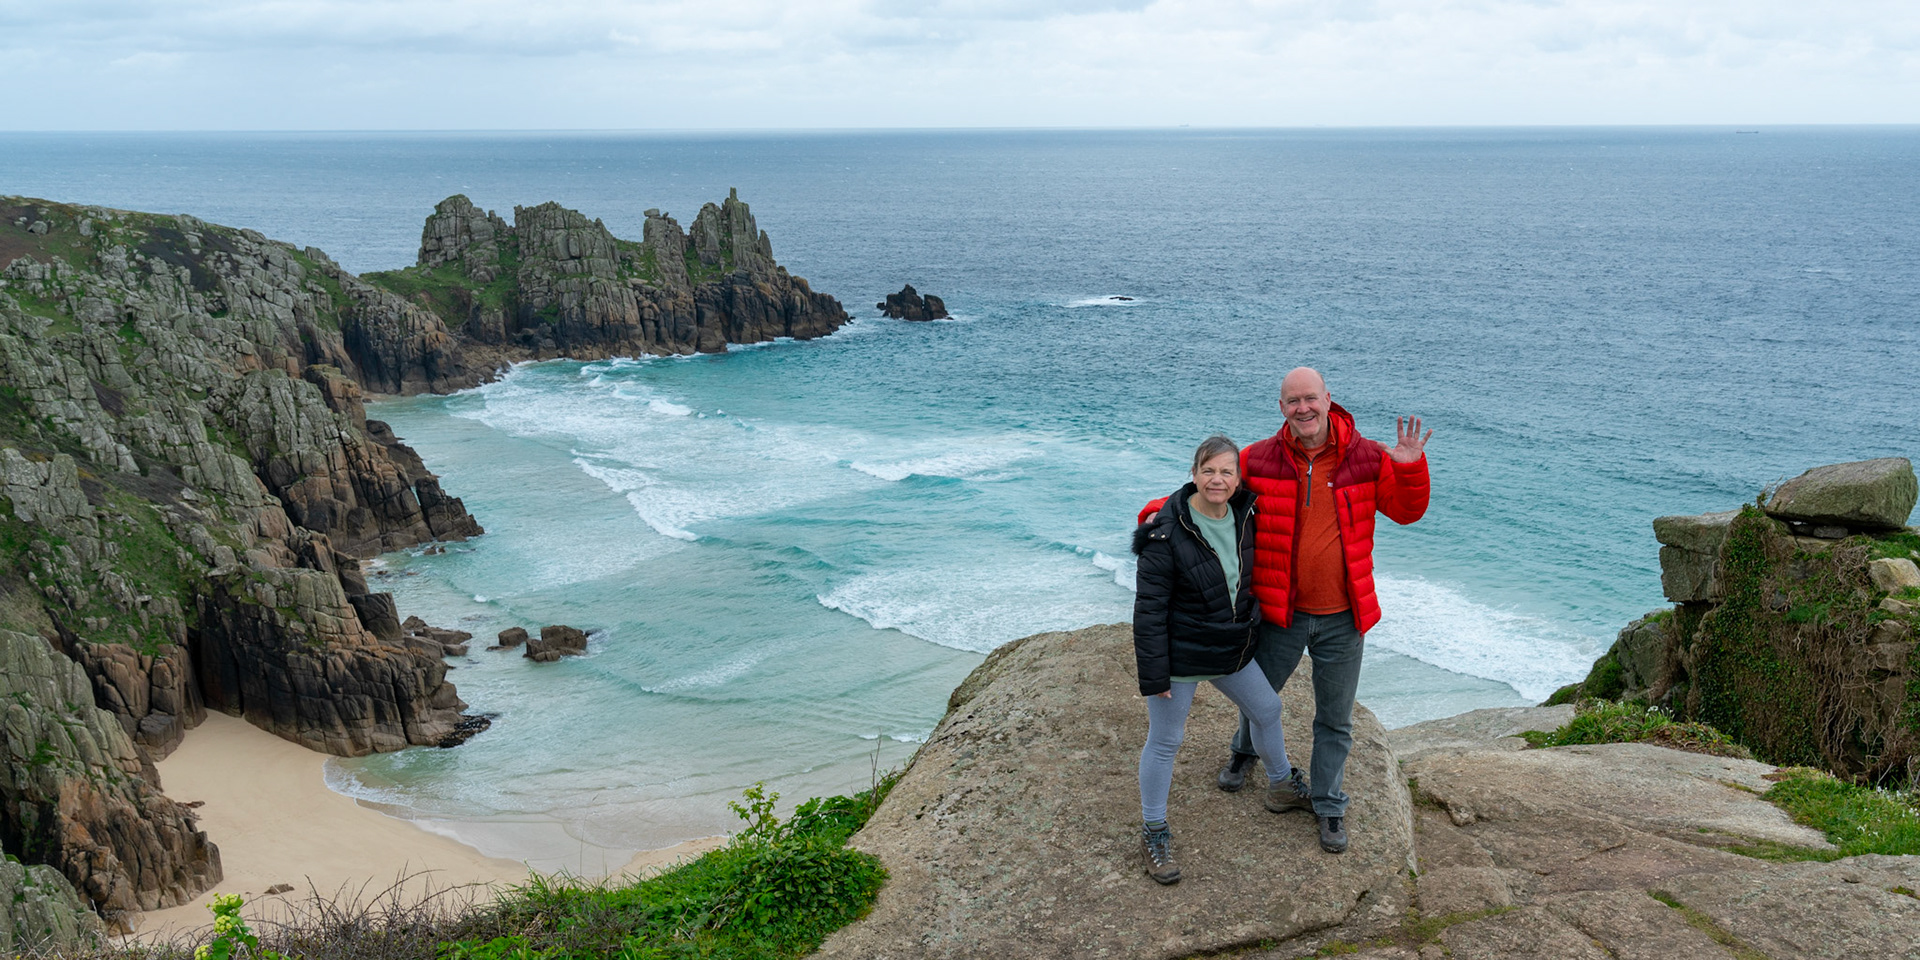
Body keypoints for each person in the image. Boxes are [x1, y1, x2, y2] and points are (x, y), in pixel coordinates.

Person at [1138, 368, 1431, 855]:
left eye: (1310, 398)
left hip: (1344, 616)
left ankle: (1328, 802)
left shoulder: (1368, 456)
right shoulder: (1259, 458)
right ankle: (1243, 753)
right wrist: (1155, 512)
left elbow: (1406, 511)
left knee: (1334, 719)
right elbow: (1211, 489)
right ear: (1282, 407)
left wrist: (1409, 467)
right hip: (1281, 612)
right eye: (1293, 401)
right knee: (1261, 699)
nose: (1303, 408)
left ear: (1328, 399)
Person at [1131, 434, 1309, 885]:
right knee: (1167, 740)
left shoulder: (1245, 513)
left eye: (1226, 471)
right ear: (1193, 475)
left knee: (1268, 708)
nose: (1217, 479)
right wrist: (1155, 674)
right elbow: (1148, 609)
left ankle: (1282, 783)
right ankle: (1154, 830)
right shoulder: (1165, 531)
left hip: (1230, 646)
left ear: (1237, 478)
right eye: (1208, 470)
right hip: (1182, 653)